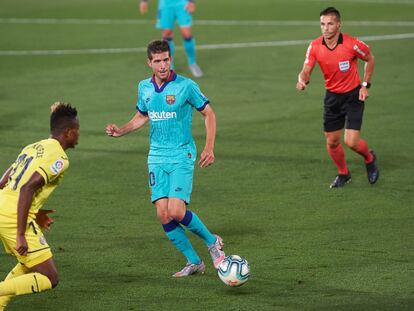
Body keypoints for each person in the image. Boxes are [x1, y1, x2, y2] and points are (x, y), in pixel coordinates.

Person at [106, 40, 224, 277]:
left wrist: (209, 147)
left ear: (171, 59)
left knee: (176, 210)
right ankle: (194, 262)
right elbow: (142, 116)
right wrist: (121, 130)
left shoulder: (185, 86)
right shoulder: (144, 88)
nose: (162, 65)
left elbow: (208, 113)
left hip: (181, 154)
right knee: (163, 213)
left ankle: (212, 242)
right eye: (157, 61)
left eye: (166, 60)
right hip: (156, 157)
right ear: (149, 62)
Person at [0, 103, 79, 309]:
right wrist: (20, 233)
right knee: (50, 277)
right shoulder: (60, 158)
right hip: (14, 217)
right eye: (77, 131)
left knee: (28, 263)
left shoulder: (32, 147)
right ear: (68, 132)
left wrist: (34, 212)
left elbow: (4, 181)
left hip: (4, 206)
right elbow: (27, 188)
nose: (78, 135)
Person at [296, 7, 379, 188]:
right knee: (332, 141)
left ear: (339, 25)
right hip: (332, 97)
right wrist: (302, 79)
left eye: (330, 24)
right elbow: (307, 70)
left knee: (351, 142)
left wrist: (365, 85)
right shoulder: (315, 46)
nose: (325, 28)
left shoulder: (352, 44)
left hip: (353, 96)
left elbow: (370, 58)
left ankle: (369, 158)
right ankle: (344, 173)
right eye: (322, 24)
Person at [139, 0, 204, 78]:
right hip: (165, 4)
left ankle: (192, 63)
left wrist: (191, 2)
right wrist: (144, 1)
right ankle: (170, 66)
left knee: (186, 34)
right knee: (167, 34)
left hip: (182, 3)